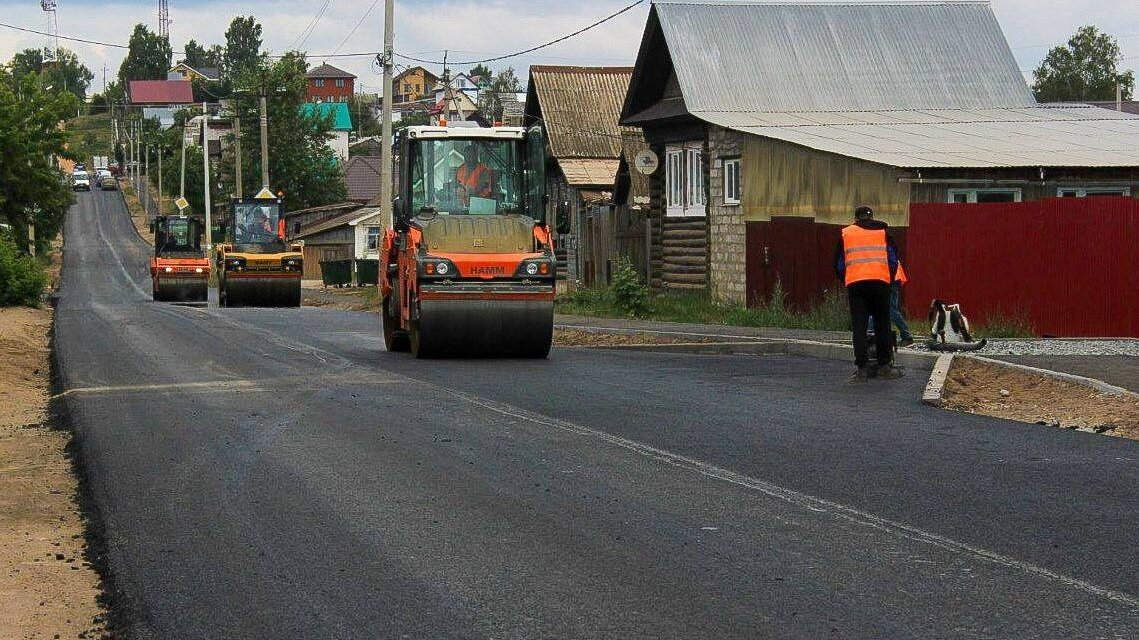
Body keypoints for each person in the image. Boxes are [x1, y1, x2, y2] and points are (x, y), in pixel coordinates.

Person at [835, 205, 902, 381]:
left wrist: (848, 279)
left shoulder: (847, 233)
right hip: (880, 283)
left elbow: (839, 264)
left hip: (857, 285)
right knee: (882, 324)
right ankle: (884, 366)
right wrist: (888, 279)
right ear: (872, 217)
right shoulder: (883, 233)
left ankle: (862, 369)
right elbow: (893, 259)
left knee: (859, 326)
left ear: (856, 219)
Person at [891, 262, 915, 347]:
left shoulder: (883, 248)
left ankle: (907, 336)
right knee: (889, 309)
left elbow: (891, 262)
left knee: (890, 310)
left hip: (890, 278)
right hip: (892, 278)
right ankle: (906, 336)